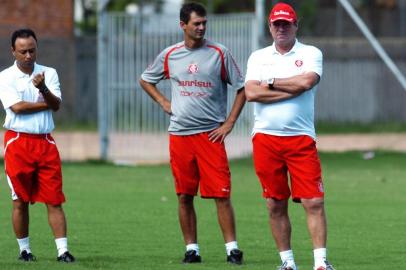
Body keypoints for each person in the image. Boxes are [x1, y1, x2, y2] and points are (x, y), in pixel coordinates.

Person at [139, 2, 245, 265]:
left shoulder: (219, 53)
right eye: (196, 23)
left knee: (221, 194)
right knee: (184, 195)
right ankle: (192, 249)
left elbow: (243, 88)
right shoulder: (170, 55)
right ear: (182, 25)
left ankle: (232, 249)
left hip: (211, 136)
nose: (201, 28)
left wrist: (229, 122)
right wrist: (164, 102)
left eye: (204, 23)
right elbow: (145, 79)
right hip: (180, 136)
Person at [245, 3, 334, 270]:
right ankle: (287, 263)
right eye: (276, 24)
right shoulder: (258, 57)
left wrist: (270, 82)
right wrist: (290, 87)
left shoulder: (310, 53)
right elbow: (251, 93)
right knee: (275, 203)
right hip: (265, 139)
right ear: (270, 27)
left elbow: (307, 82)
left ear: (296, 25)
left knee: (314, 201)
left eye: (286, 24)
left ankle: (320, 263)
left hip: (301, 138)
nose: (281, 28)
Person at [0, 28, 75, 263]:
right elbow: (17, 108)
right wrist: (45, 102)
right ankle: (25, 250)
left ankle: (63, 252)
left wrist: (43, 89)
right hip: (18, 141)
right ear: (13, 51)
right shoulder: (5, 77)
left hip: (45, 142)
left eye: (32, 50)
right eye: (23, 51)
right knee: (19, 200)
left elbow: (56, 104)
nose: (28, 55)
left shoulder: (48, 73)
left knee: (54, 199)